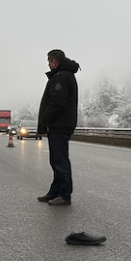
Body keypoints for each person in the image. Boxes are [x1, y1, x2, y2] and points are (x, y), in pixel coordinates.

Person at [37, 48, 80, 206]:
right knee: (56, 160)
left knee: (60, 161)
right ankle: (55, 192)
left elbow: (57, 103)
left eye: (49, 61)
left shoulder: (61, 77)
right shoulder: (64, 75)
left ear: (54, 62)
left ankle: (64, 194)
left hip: (59, 125)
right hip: (61, 125)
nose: (48, 64)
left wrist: (45, 120)